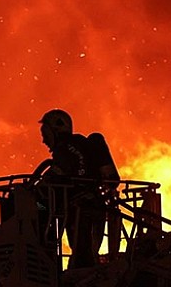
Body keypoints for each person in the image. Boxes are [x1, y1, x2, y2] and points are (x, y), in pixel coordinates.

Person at [38, 109, 119, 269]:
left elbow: (51, 181)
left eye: (45, 134)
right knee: (87, 252)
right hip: (95, 207)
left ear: (55, 131)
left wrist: (35, 197)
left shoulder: (64, 151)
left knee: (82, 257)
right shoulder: (83, 145)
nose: (43, 140)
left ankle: (60, 270)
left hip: (79, 211)